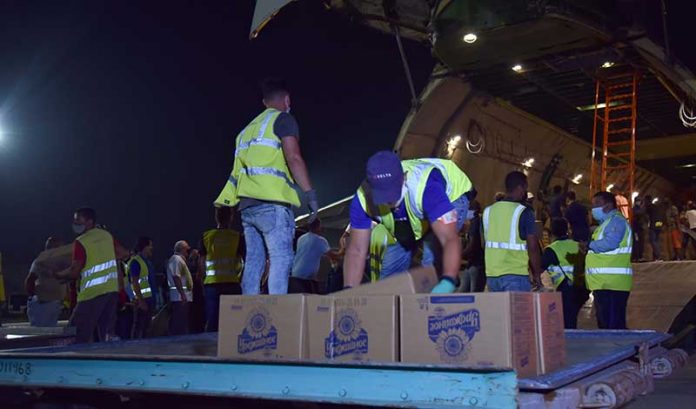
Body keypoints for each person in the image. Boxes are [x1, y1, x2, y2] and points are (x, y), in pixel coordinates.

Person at [214, 78, 318, 295]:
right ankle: (277, 311)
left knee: (254, 260)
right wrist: (310, 194)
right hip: (272, 204)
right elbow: (294, 157)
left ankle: (248, 310)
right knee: (281, 257)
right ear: (287, 100)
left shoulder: (246, 131)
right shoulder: (283, 119)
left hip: (247, 206)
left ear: (264, 102)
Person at [342, 151, 477, 293]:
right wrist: (348, 292)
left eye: (392, 193)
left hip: (452, 195)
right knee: (388, 281)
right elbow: (356, 250)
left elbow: (449, 238)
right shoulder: (362, 199)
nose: (388, 201)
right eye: (383, 195)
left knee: (430, 263)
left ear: (404, 178)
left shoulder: (426, 187)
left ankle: (442, 285)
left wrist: (448, 280)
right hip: (411, 216)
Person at [54, 208, 129, 343]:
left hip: (91, 292)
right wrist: (106, 256)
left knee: (74, 335)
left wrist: (58, 275)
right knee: (105, 334)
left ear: (89, 221)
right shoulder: (106, 235)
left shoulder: (82, 241)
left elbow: (74, 271)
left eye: (78, 220)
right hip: (111, 291)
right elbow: (124, 253)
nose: (75, 223)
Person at [483, 171, 543, 292]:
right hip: (515, 275)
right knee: (519, 305)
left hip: (492, 276)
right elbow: (533, 247)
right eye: (525, 188)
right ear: (520, 188)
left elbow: (484, 242)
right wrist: (537, 274)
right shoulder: (524, 212)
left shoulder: (488, 211)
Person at [582, 192, 633, 329]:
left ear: (608, 205)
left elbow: (611, 243)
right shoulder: (606, 223)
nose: (593, 208)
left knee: (613, 326)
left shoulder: (616, 221)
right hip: (605, 283)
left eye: (597, 204)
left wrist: (589, 245)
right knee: (607, 323)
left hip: (613, 285)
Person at [199, 206, 244, 332]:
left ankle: (211, 343)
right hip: (232, 283)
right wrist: (240, 278)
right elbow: (243, 261)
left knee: (213, 320)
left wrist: (203, 280)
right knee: (233, 320)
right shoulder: (237, 237)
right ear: (231, 218)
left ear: (216, 217)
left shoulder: (206, 236)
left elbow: (201, 262)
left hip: (212, 284)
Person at [542, 218, 581, 328]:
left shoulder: (551, 249)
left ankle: (569, 336)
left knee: (566, 319)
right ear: (567, 230)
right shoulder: (577, 245)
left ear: (552, 232)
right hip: (581, 286)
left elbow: (541, 267)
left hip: (564, 286)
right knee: (572, 316)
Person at [25, 237, 67, 327]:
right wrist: (34, 297)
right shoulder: (41, 262)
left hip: (54, 302)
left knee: (50, 330)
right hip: (43, 303)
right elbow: (30, 279)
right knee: (41, 331)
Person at [290, 218, 334, 293]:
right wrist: (344, 250)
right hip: (306, 277)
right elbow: (333, 256)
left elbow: (308, 253)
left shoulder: (301, 238)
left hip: (295, 274)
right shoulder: (319, 240)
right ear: (319, 226)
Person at [128, 237, 156, 339]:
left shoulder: (146, 262)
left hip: (149, 299)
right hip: (143, 300)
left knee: (146, 328)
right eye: (150, 246)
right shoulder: (136, 262)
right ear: (145, 247)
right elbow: (134, 282)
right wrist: (141, 301)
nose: (152, 248)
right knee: (139, 327)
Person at [166, 241, 193, 335]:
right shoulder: (176, 259)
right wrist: (182, 294)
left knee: (182, 322)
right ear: (182, 249)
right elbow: (176, 277)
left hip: (181, 297)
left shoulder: (179, 260)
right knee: (179, 323)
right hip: (179, 298)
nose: (188, 251)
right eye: (187, 249)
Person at [459, 200, 485, 292]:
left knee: (474, 294)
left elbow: (472, 245)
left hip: (477, 264)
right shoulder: (473, 223)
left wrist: (459, 256)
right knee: (464, 292)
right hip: (471, 264)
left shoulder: (475, 222)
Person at [645, 195, 665, 261]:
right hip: (659, 223)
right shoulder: (656, 207)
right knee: (656, 240)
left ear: (647, 200)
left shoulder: (649, 206)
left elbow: (644, 214)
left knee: (652, 240)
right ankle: (655, 257)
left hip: (653, 224)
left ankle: (658, 256)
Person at [631, 196, 648, 262]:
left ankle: (640, 256)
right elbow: (637, 214)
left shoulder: (641, 209)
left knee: (641, 242)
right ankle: (636, 257)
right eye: (637, 201)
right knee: (636, 242)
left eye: (639, 201)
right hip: (636, 228)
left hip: (640, 228)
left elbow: (645, 217)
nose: (638, 202)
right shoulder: (635, 209)